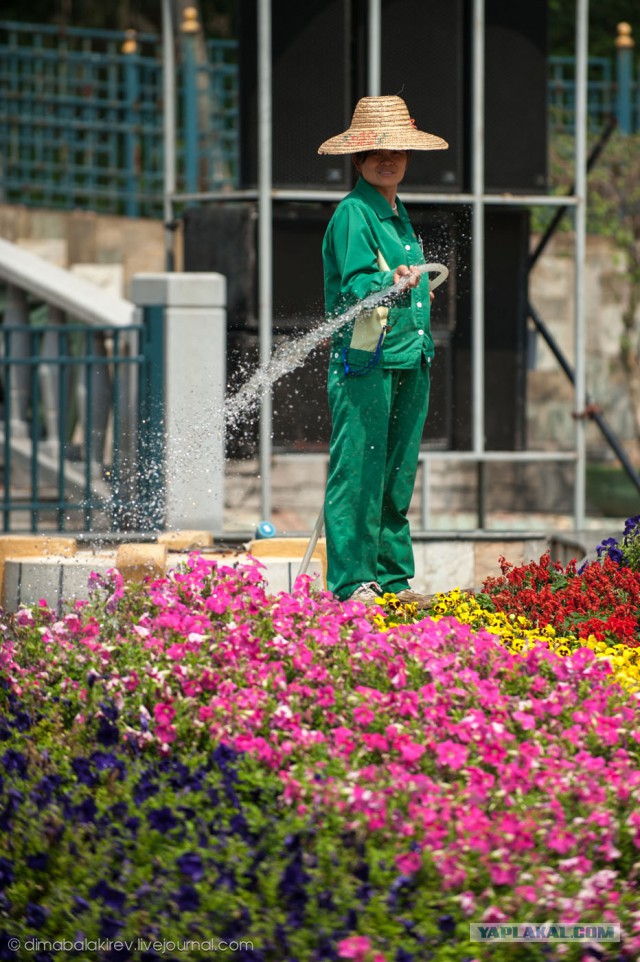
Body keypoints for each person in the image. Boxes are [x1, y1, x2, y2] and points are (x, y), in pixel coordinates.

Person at [317, 94, 448, 606]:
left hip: (409, 356)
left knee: (397, 473)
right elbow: (354, 284)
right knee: (359, 470)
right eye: (376, 153)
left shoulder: (397, 213)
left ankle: (392, 578)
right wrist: (386, 279)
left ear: (409, 158)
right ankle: (353, 583)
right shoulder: (354, 212)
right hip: (365, 360)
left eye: (396, 150)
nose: (387, 159)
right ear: (358, 161)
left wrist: (412, 289)